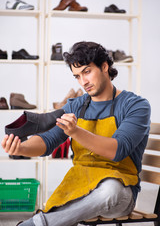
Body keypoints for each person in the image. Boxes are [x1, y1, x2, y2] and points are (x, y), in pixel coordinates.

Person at [1, 41, 151, 226]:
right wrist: (21, 148)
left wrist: (75, 131)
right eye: (77, 76)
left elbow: (118, 150)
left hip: (120, 191)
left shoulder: (135, 105)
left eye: (87, 72)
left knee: (109, 190)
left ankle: (38, 224)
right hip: (81, 184)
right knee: (70, 198)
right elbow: (48, 141)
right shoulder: (75, 105)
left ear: (105, 66)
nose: (83, 82)